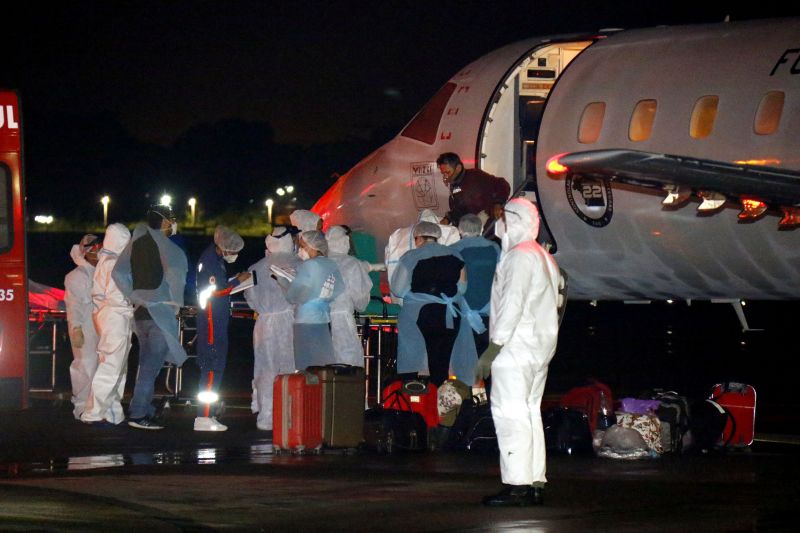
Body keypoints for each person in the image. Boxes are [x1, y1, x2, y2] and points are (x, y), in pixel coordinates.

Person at [474, 198, 561, 507]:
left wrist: (493, 347)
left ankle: (516, 484)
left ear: (515, 221)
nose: (500, 223)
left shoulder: (518, 257)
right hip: (538, 350)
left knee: (509, 413)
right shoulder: (544, 258)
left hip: (514, 347)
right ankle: (536, 479)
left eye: (504, 217)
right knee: (529, 412)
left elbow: (512, 303)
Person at [112, 205, 188, 430]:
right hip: (160, 315)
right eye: (172, 219)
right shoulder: (170, 249)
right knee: (149, 368)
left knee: (146, 366)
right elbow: (177, 281)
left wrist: (134, 296)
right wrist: (174, 305)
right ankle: (137, 415)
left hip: (141, 315)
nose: (174, 223)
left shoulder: (136, 244)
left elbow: (118, 272)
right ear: (164, 221)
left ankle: (144, 409)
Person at [390, 221, 478, 389]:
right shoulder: (455, 255)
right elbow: (462, 288)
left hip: (421, 315)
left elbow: (398, 289)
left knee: (414, 360)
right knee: (441, 362)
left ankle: (417, 399)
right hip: (450, 315)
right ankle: (441, 401)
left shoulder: (410, 257)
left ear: (419, 238)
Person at [195, 226, 251, 432]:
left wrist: (233, 281)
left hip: (214, 320)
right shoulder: (210, 262)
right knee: (212, 368)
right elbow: (214, 291)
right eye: (233, 252)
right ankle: (204, 416)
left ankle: (206, 414)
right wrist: (238, 281)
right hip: (212, 323)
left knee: (213, 368)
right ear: (225, 249)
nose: (234, 255)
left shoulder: (213, 259)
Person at [244, 226, 299, 431]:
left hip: (263, 324)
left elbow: (250, 299)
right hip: (289, 321)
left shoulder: (256, 267)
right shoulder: (297, 264)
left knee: (265, 369)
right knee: (288, 367)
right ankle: (288, 414)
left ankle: (266, 416)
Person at [80, 223, 133, 426]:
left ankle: (112, 412)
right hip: (116, 317)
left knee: (117, 366)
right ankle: (94, 412)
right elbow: (117, 296)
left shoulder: (106, 260)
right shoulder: (113, 264)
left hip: (112, 317)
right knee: (112, 366)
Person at [281, 230, 344, 370]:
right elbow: (339, 288)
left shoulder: (310, 265)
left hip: (306, 321)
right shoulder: (330, 264)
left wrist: (283, 282)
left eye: (303, 246)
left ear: (312, 246)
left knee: (306, 366)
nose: (300, 250)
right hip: (323, 320)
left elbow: (295, 295)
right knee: (322, 365)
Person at [448, 214, 500, 357]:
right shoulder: (494, 248)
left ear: (460, 230)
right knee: (486, 358)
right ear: (482, 228)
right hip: (490, 312)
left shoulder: (453, 250)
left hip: (462, 312)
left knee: (464, 359)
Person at [384, 208, 460, 303]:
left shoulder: (398, 238)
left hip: (405, 305)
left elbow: (397, 290)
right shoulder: (449, 239)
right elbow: (460, 286)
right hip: (438, 306)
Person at [64, 234, 102, 420]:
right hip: (85, 328)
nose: (98, 253)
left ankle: (97, 407)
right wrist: (76, 328)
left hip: (102, 328)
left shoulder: (103, 274)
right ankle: (81, 407)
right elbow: (74, 305)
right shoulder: (76, 277)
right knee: (84, 367)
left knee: (101, 369)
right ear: (86, 252)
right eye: (94, 249)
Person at [326, 225, 373, 367]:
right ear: (345, 241)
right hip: (342, 322)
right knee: (347, 364)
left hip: (319, 323)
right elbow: (361, 302)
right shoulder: (352, 264)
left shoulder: (319, 262)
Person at [436, 152, 510, 228]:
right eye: (443, 174)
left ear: (458, 168)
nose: (445, 177)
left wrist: (498, 203)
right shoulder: (455, 185)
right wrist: (448, 219)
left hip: (489, 226)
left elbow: (502, 184)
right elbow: (460, 208)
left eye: (447, 172)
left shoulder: (475, 176)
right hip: (472, 227)